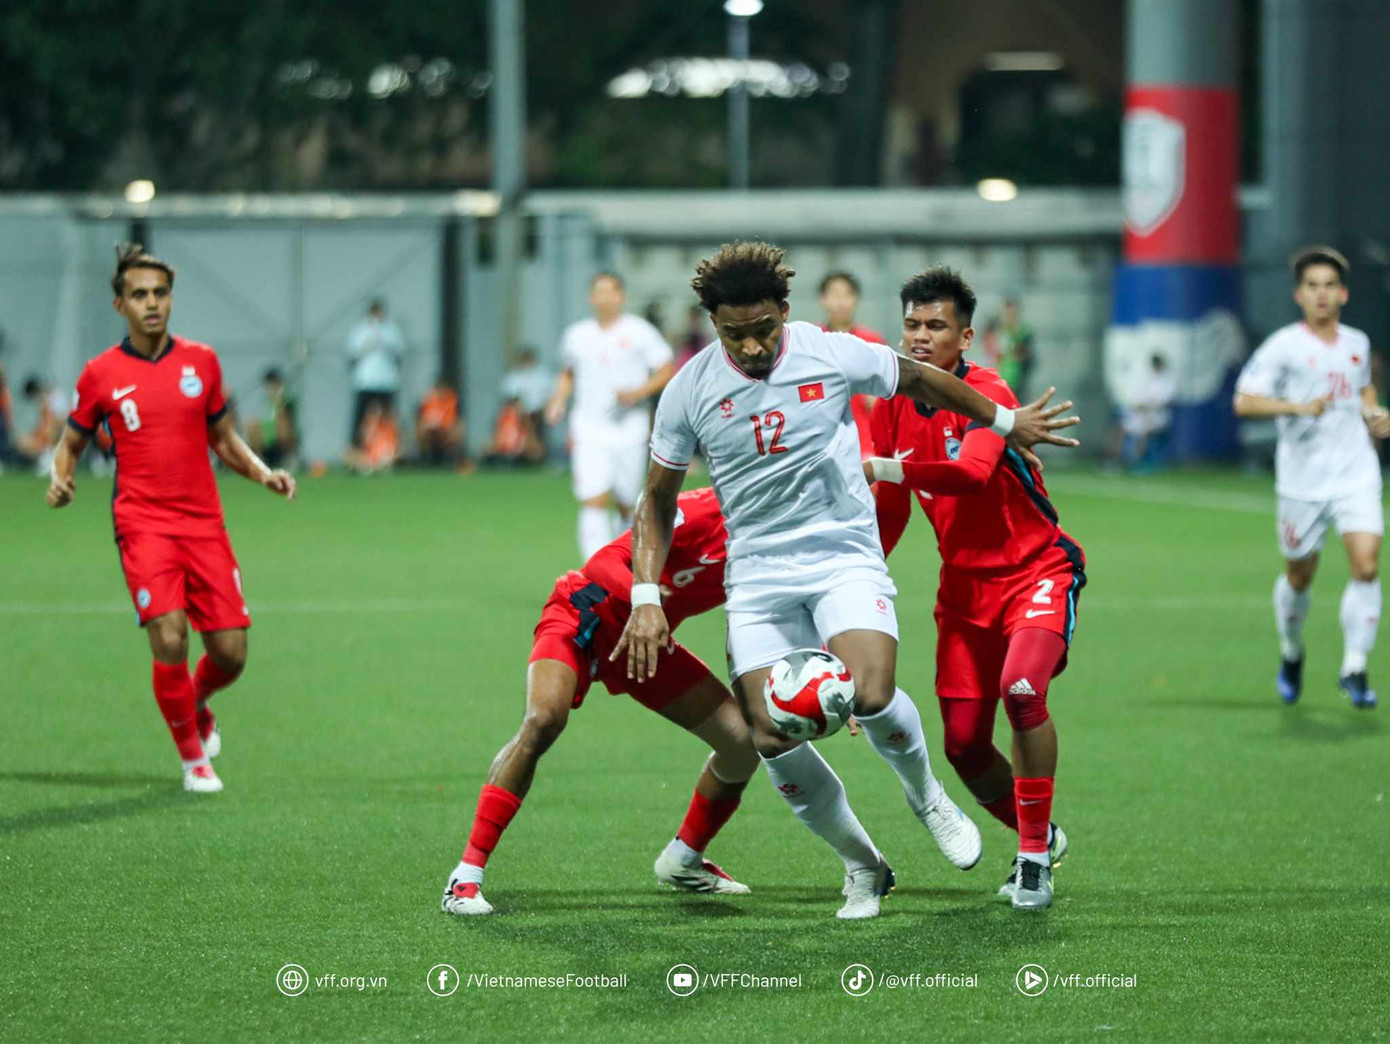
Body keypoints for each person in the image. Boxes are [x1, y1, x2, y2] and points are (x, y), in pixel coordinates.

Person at [617, 241, 1081, 918]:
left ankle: (926, 796)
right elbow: (656, 500)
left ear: (785, 309)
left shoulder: (829, 351)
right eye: (733, 335)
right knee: (772, 735)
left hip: (841, 555)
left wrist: (1005, 422)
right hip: (758, 579)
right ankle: (864, 866)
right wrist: (646, 595)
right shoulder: (688, 388)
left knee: (869, 691)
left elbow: (922, 379)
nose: (750, 347)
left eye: (763, 330)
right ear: (713, 326)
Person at [864, 266, 1087, 911]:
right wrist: (865, 582)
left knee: (1022, 693)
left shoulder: (987, 390)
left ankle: (1034, 861)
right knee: (961, 743)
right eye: (912, 324)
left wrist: (885, 465)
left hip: (1037, 572)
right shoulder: (892, 402)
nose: (920, 337)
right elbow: (894, 506)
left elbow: (969, 473)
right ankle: (1038, 835)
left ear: (965, 338)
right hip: (963, 590)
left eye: (936, 326)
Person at [45, 244, 296, 793]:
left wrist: (262, 473)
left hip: (204, 524)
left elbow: (223, 439)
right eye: (139, 294)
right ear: (120, 306)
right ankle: (192, 761)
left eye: (160, 293)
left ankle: (196, 700)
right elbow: (70, 444)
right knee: (170, 636)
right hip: (142, 524)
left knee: (231, 654)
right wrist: (60, 477)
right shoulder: (101, 374)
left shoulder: (201, 362)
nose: (151, 303)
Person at [442, 488, 758, 916]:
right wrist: (644, 601)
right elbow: (602, 562)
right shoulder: (698, 511)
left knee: (742, 742)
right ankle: (466, 876)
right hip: (586, 611)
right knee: (542, 720)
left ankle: (684, 860)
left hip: (644, 643)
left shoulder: (774, 541)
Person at [1233, 245, 1389, 709]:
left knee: (1366, 564)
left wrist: (1375, 417)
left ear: (1343, 294)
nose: (1321, 295)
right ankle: (1292, 651)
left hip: (1355, 472)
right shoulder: (1283, 346)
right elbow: (1245, 400)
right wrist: (1296, 406)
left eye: (1329, 286)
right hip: (1302, 482)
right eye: (1312, 287)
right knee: (1299, 577)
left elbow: (1363, 392)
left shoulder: (1357, 344)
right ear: (1299, 295)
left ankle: (1355, 667)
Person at [545, 272, 676, 558]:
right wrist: (558, 401)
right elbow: (568, 373)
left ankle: (626, 562)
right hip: (588, 428)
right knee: (593, 498)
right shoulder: (577, 335)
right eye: (598, 292)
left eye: (610, 292)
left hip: (630, 428)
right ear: (591, 297)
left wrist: (639, 392)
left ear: (622, 296)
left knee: (627, 501)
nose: (604, 298)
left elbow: (667, 368)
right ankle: (596, 571)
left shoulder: (640, 331)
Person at [818, 271, 888, 459]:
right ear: (823, 299)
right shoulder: (813, 342)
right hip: (822, 442)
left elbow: (883, 400)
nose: (840, 302)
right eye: (834, 294)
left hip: (864, 441)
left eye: (846, 294)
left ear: (856, 299)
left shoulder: (872, 342)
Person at [346, 298, 406, 447]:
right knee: (360, 418)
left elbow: (400, 353)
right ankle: (356, 448)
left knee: (389, 418)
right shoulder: (360, 330)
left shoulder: (392, 330)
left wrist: (383, 341)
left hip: (386, 381)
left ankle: (391, 448)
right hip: (366, 381)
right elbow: (352, 354)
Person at [1119, 353, 1176, 472]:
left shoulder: (1168, 381)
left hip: (1158, 417)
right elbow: (1139, 400)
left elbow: (1166, 402)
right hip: (1142, 415)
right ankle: (1116, 460)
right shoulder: (1148, 379)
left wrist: (1149, 407)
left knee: (1144, 431)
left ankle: (1137, 461)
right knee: (1120, 428)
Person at [247, 367, 298, 469]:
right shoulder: (264, 403)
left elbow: (288, 424)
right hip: (266, 440)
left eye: (274, 384)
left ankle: (289, 458)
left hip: (282, 441)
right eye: (269, 385)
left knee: (282, 424)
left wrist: (279, 402)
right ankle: (256, 459)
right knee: (251, 425)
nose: (271, 388)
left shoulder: (287, 401)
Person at [416, 375, 470, 470]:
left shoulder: (452, 401)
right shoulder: (428, 401)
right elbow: (422, 421)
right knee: (427, 433)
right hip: (432, 435)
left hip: (447, 434)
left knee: (453, 434)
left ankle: (456, 460)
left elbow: (456, 423)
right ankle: (427, 459)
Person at [997, 298, 1035, 396]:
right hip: (1001, 380)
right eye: (1007, 313)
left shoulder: (1024, 333)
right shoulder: (1000, 331)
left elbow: (1025, 355)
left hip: (1018, 380)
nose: (1009, 317)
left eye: (1012, 313)